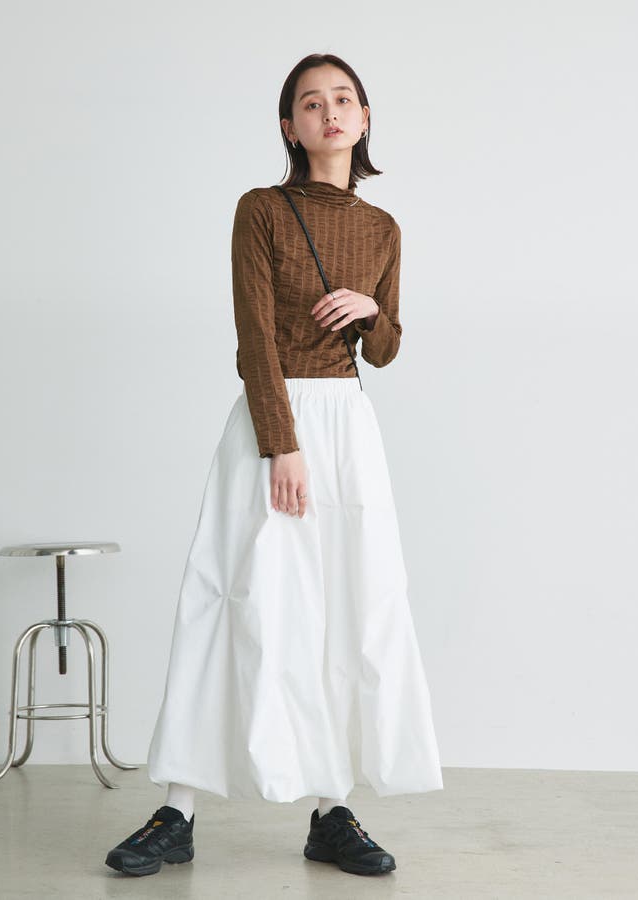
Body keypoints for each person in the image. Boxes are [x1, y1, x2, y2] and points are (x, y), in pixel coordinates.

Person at [105, 52, 443, 880]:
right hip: (274, 420)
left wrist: (372, 310)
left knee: (346, 605)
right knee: (230, 598)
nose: (330, 111)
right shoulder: (260, 209)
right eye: (311, 102)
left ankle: (331, 809)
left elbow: (386, 349)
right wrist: (280, 442)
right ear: (289, 126)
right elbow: (254, 335)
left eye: (344, 98)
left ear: (364, 118)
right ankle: (178, 810)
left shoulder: (383, 229)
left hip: (348, 429)